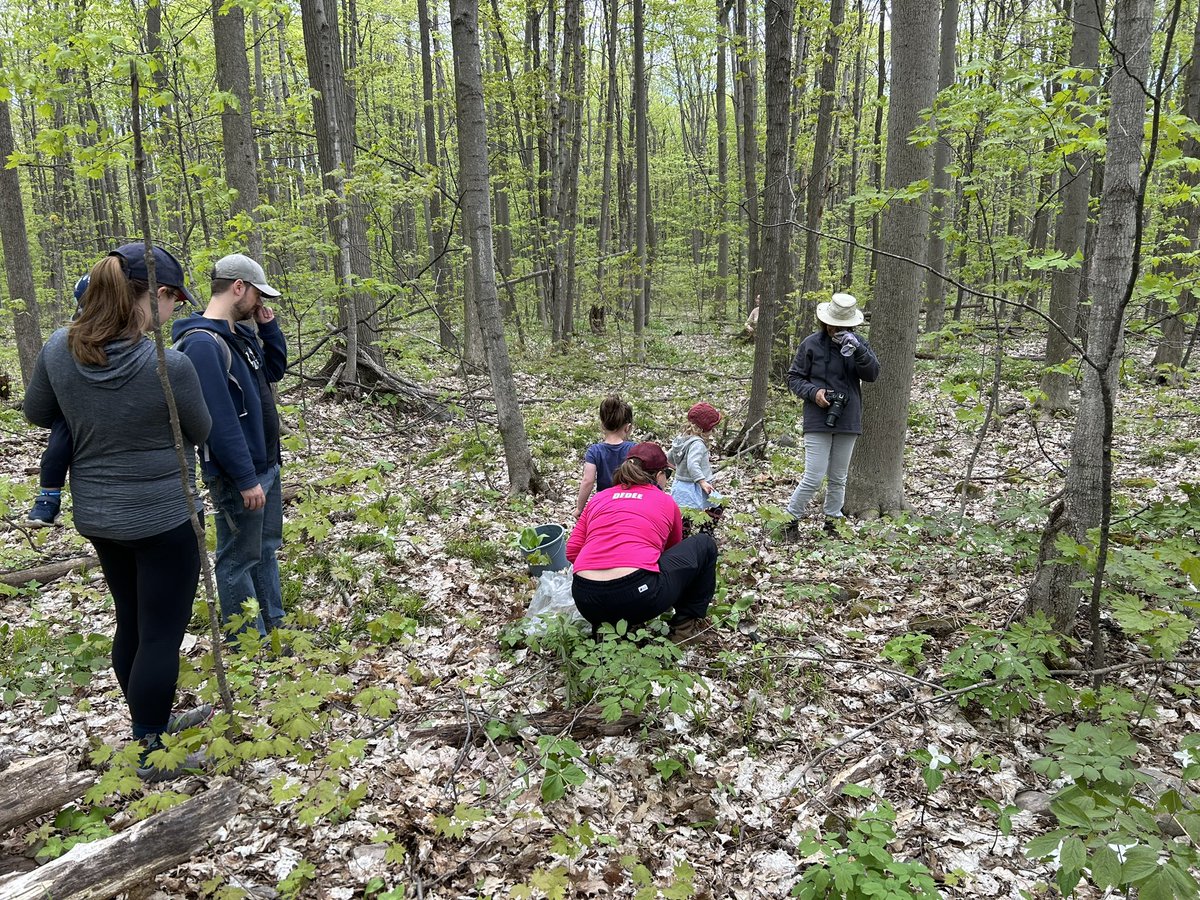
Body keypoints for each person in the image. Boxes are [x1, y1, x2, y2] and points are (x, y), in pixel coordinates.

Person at [23, 244, 213, 781]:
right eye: (173, 298)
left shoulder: (60, 349)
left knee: (131, 619)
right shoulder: (167, 364)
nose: (175, 309)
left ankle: (147, 724)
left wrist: (88, 413)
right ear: (150, 296)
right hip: (164, 517)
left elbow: (38, 410)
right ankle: (152, 752)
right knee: (160, 635)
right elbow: (200, 431)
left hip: (100, 515)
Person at [172, 253, 287, 636]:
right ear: (238, 287)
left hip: (265, 465)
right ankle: (247, 642)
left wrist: (268, 330)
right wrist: (244, 477)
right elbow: (217, 422)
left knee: (265, 548)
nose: (261, 304)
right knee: (237, 559)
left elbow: (273, 371)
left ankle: (274, 625)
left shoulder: (238, 337)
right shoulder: (203, 345)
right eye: (257, 295)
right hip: (241, 475)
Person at [566, 442, 718, 645]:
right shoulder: (665, 502)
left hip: (585, 598)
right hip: (639, 595)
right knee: (705, 544)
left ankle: (607, 628)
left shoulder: (598, 498)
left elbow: (572, 550)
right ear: (658, 475)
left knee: (613, 593)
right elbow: (671, 553)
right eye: (668, 475)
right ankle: (683, 630)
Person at [781, 292, 881, 537]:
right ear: (824, 321)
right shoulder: (811, 344)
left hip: (848, 418)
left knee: (839, 477)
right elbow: (794, 377)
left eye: (841, 325)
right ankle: (789, 521)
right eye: (832, 323)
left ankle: (832, 523)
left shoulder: (858, 344)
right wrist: (814, 393)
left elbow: (872, 374)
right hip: (817, 418)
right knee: (813, 477)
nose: (834, 329)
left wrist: (858, 350)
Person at [26, 275, 91, 527]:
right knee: (58, 442)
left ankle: (48, 498)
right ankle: (48, 497)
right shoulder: (66, 337)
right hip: (73, 406)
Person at [668, 402, 725, 537]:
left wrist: (676, 468)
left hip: (680, 484)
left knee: (684, 514)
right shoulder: (697, 444)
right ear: (705, 429)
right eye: (712, 428)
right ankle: (706, 533)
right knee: (718, 504)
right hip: (695, 485)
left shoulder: (681, 440)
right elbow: (693, 464)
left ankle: (681, 538)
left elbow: (669, 457)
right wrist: (702, 481)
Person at [573, 394, 635, 518]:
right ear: (628, 428)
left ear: (602, 425)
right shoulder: (634, 449)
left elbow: (588, 481)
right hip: (629, 502)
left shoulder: (594, 451)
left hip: (604, 503)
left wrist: (579, 508)